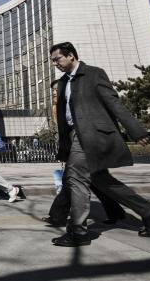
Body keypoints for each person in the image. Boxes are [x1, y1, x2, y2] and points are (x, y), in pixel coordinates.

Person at [50, 42, 150, 247]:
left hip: (93, 135)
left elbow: (114, 103)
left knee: (76, 178)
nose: (55, 64)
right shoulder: (63, 82)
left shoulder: (93, 74)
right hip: (75, 136)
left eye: (57, 59)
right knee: (100, 180)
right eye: (53, 61)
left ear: (71, 56)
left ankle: (78, 231)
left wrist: (136, 130)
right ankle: (149, 211)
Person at [43, 79, 126, 227]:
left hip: (85, 147)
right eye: (53, 91)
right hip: (74, 149)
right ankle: (116, 211)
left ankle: (58, 216)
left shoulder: (73, 104)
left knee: (70, 180)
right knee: (98, 182)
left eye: (57, 89)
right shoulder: (57, 107)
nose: (55, 93)